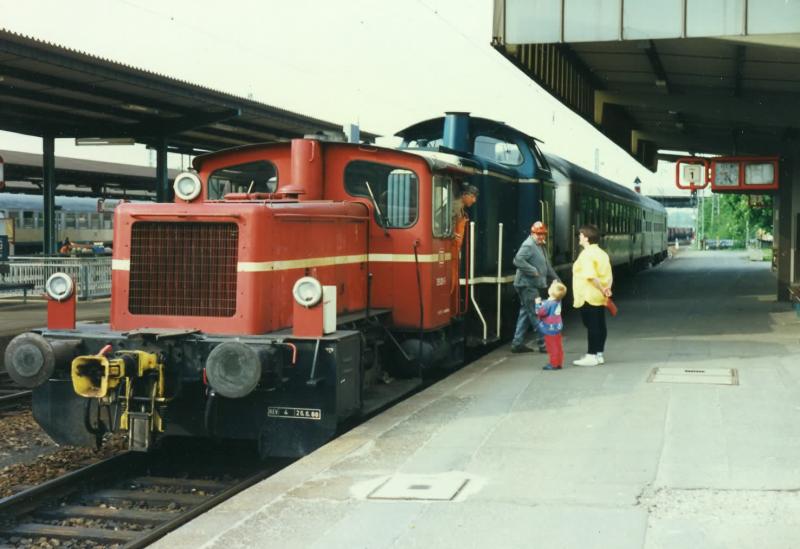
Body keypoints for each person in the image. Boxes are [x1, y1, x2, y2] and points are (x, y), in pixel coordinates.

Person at [511, 221, 559, 353]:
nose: (541, 237)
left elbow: (547, 266)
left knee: (526, 313)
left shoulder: (540, 246)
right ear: (532, 233)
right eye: (538, 234)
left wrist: (557, 280)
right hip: (527, 284)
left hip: (530, 285)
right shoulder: (528, 245)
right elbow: (517, 260)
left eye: (543, 234)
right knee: (537, 314)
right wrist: (532, 270)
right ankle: (544, 345)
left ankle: (517, 343)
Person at [572, 224, 613, 366]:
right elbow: (609, 275)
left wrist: (601, 288)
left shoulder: (587, 254)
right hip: (599, 296)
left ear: (586, 238)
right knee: (600, 324)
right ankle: (599, 353)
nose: (579, 237)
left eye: (581, 235)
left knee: (592, 326)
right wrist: (607, 289)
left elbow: (591, 276)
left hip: (588, 295)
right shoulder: (602, 253)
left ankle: (591, 355)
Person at [450, 184, 479, 306]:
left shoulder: (460, 208)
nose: (474, 200)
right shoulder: (456, 206)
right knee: (451, 281)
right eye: (472, 196)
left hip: (456, 250)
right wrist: (451, 233)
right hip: (452, 249)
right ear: (464, 195)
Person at [536, 280, 568, 370]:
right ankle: (559, 363)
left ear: (551, 292)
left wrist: (538, 304)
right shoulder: (558, 301)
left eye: (550, 288)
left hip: (549, 329)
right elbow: (558, 294)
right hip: (557, 327)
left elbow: (540, 312)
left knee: (551, 347)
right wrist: (554, 284)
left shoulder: (548, 304)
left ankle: (553, 364)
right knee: (558, 345)